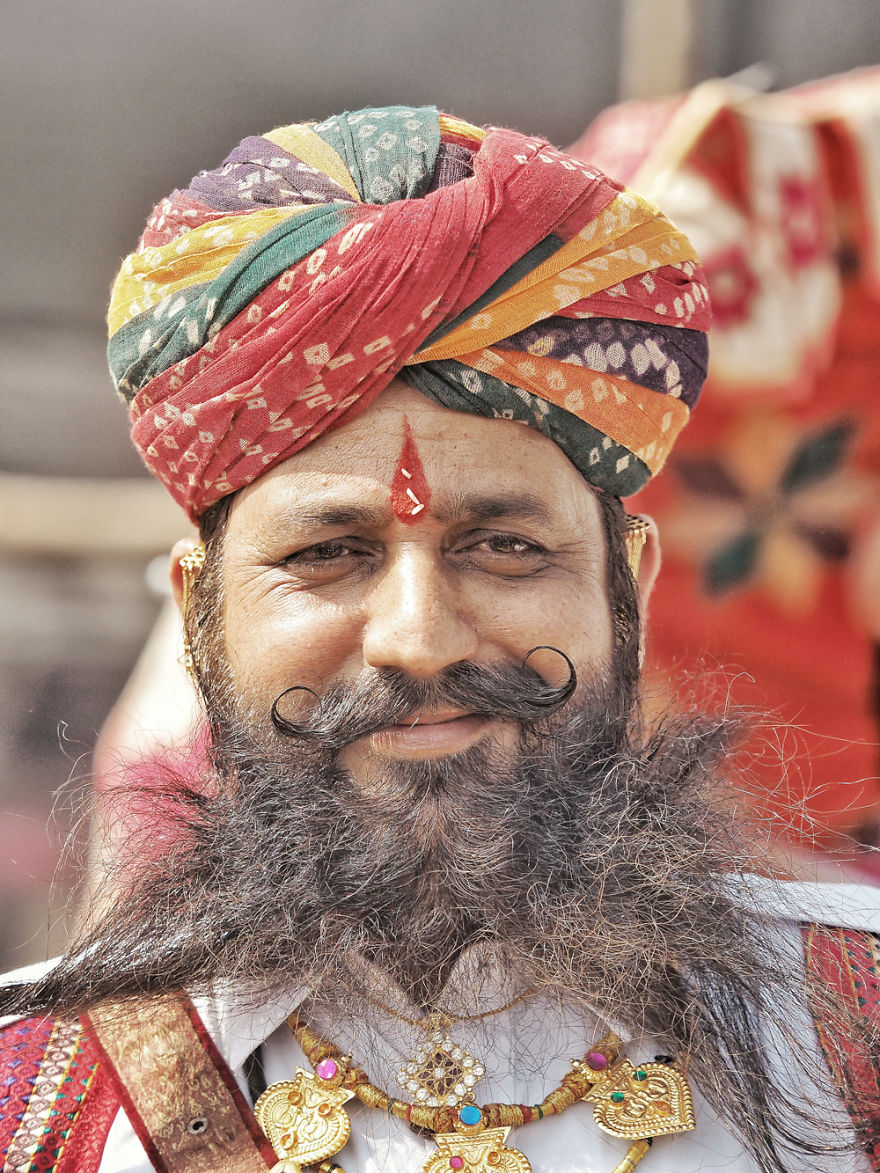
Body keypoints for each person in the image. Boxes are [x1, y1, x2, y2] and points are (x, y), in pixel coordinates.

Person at [1, 105, 879, 1173]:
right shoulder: (38, 1103)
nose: (418, 641)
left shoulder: (853, 1035)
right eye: (328, 553)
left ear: (631, 592)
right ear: (199, 617)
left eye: (506, 548)